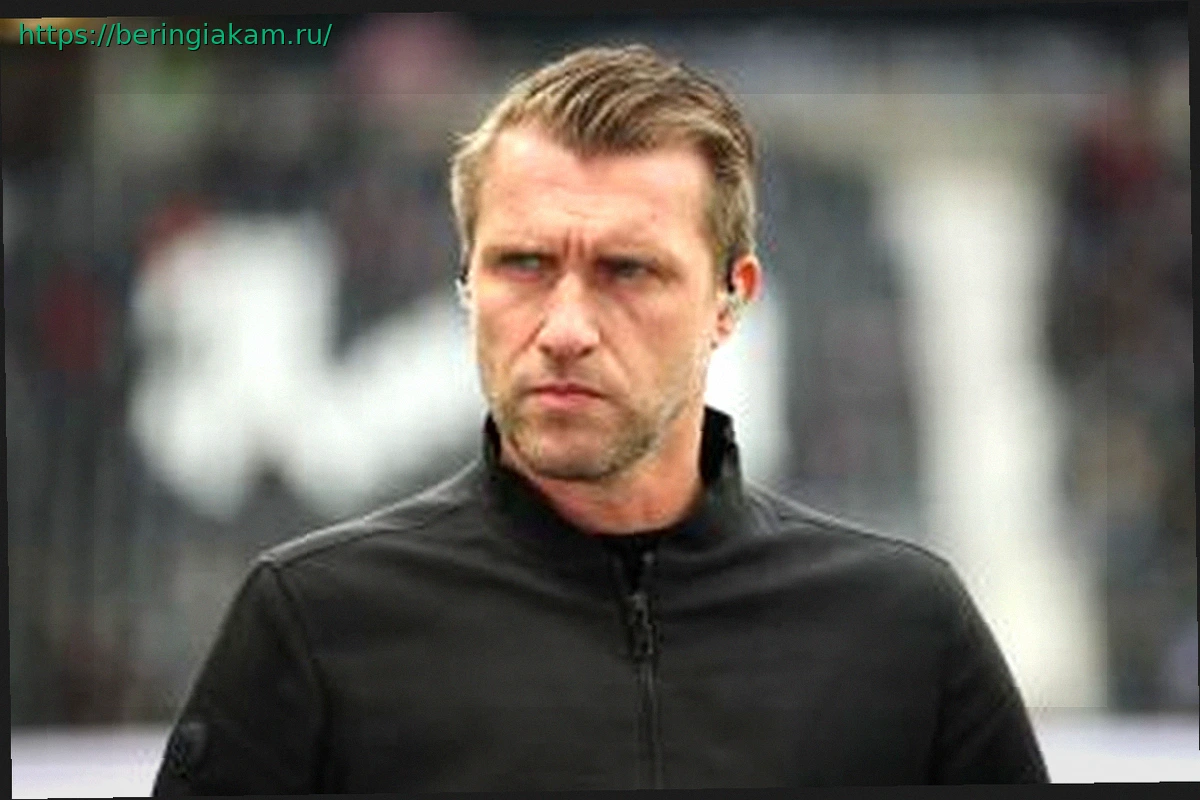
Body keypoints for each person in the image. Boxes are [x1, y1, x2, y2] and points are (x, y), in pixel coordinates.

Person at [152, 44, 1049, 793]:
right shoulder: (314, 624)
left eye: (629, 270)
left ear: (731, 300)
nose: (566, 329)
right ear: (466, 282)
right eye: (523, 264)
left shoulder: (903, 631)